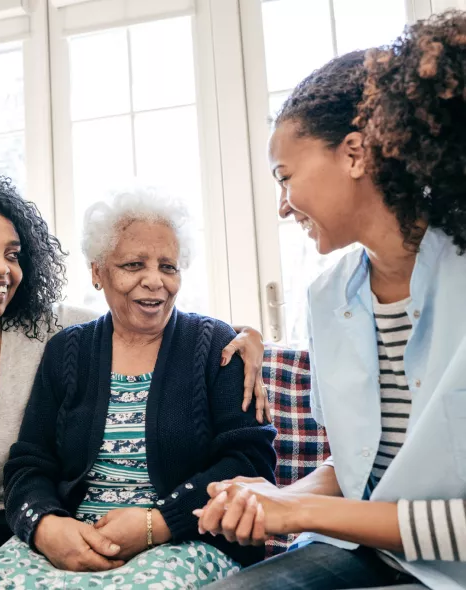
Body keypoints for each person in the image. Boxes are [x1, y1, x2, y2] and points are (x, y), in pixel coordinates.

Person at [0, 173, 267, 590]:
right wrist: (45, 525)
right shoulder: (66, 346)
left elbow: (246, 456)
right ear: (98, 272)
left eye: (168, 266)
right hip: (27, 519)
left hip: (151, 534)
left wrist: (248, 336)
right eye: (133, 264)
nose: (154, 280)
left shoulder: (49, 329)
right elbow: (21, 462)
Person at [196, 10, 466, 590]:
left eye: (284, 176)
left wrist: (299, 511)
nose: (282, 204)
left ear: (353, 154)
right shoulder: (327, 296)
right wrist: (274, 497)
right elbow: (358, 467)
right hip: (368, 551)